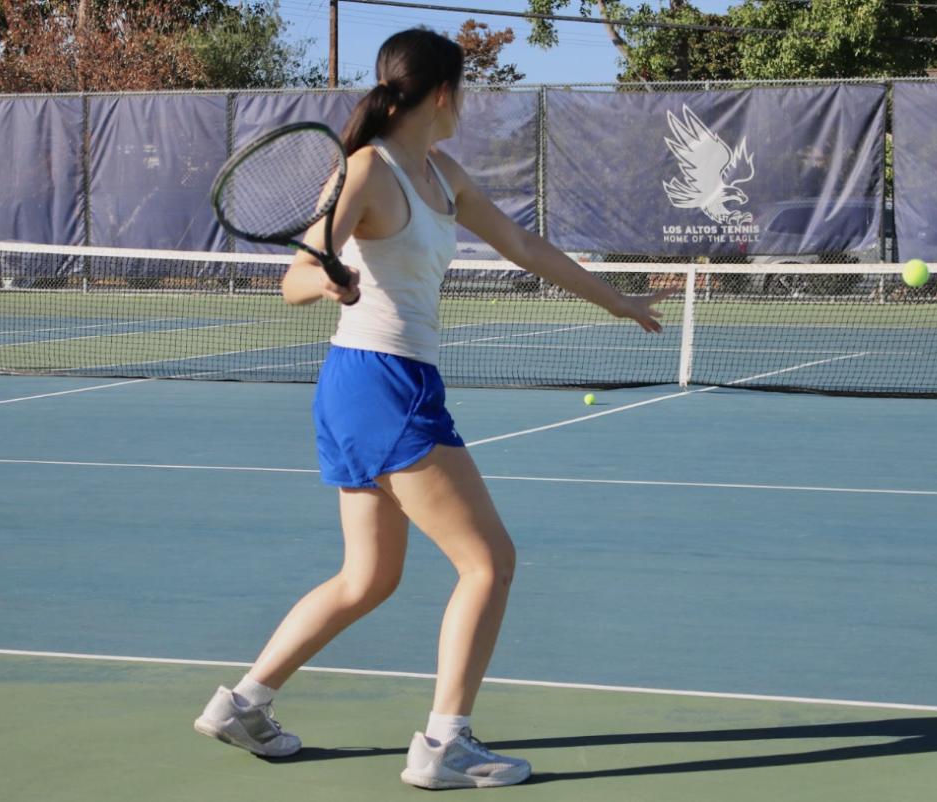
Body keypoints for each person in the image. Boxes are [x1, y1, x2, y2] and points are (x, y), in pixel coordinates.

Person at [193, 28, 671, 790]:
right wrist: (330, 281)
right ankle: (446, 746)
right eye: (467, 90)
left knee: (369, 578)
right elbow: (292, 281)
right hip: (380, 384)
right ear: (443, 93)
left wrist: (613, 300)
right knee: (489, 562)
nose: (469, 103)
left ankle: (243, 702)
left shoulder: (439, 173)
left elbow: (522, 244)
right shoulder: (365, 171)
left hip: (377, 386)